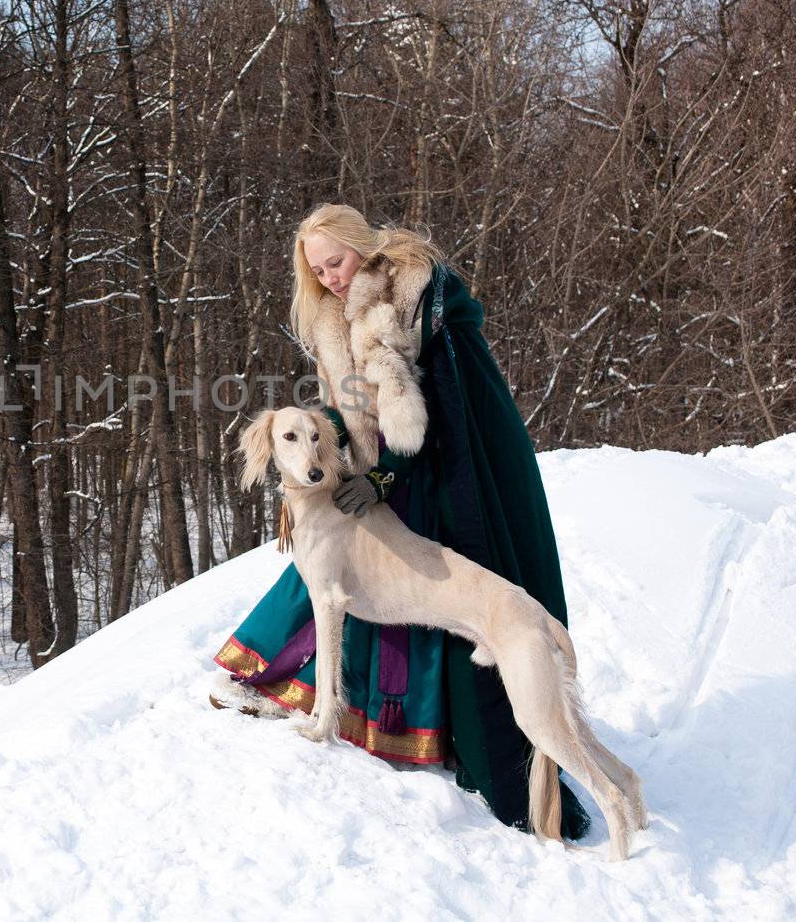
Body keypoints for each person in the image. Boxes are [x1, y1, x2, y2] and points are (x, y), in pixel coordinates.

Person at [211, 202, 591, 840]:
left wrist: (388, 476)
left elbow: (441, 409)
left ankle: (433, 732)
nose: (330, 277)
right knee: (325, 568)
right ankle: (290, 684)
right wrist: (305, 468)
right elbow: (347, 412)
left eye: (336, 262)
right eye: (318, 270)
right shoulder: (335, 316)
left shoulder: (411, 298)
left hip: (441, 476)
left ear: (363, 245)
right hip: (371, 474)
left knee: (430, 600)